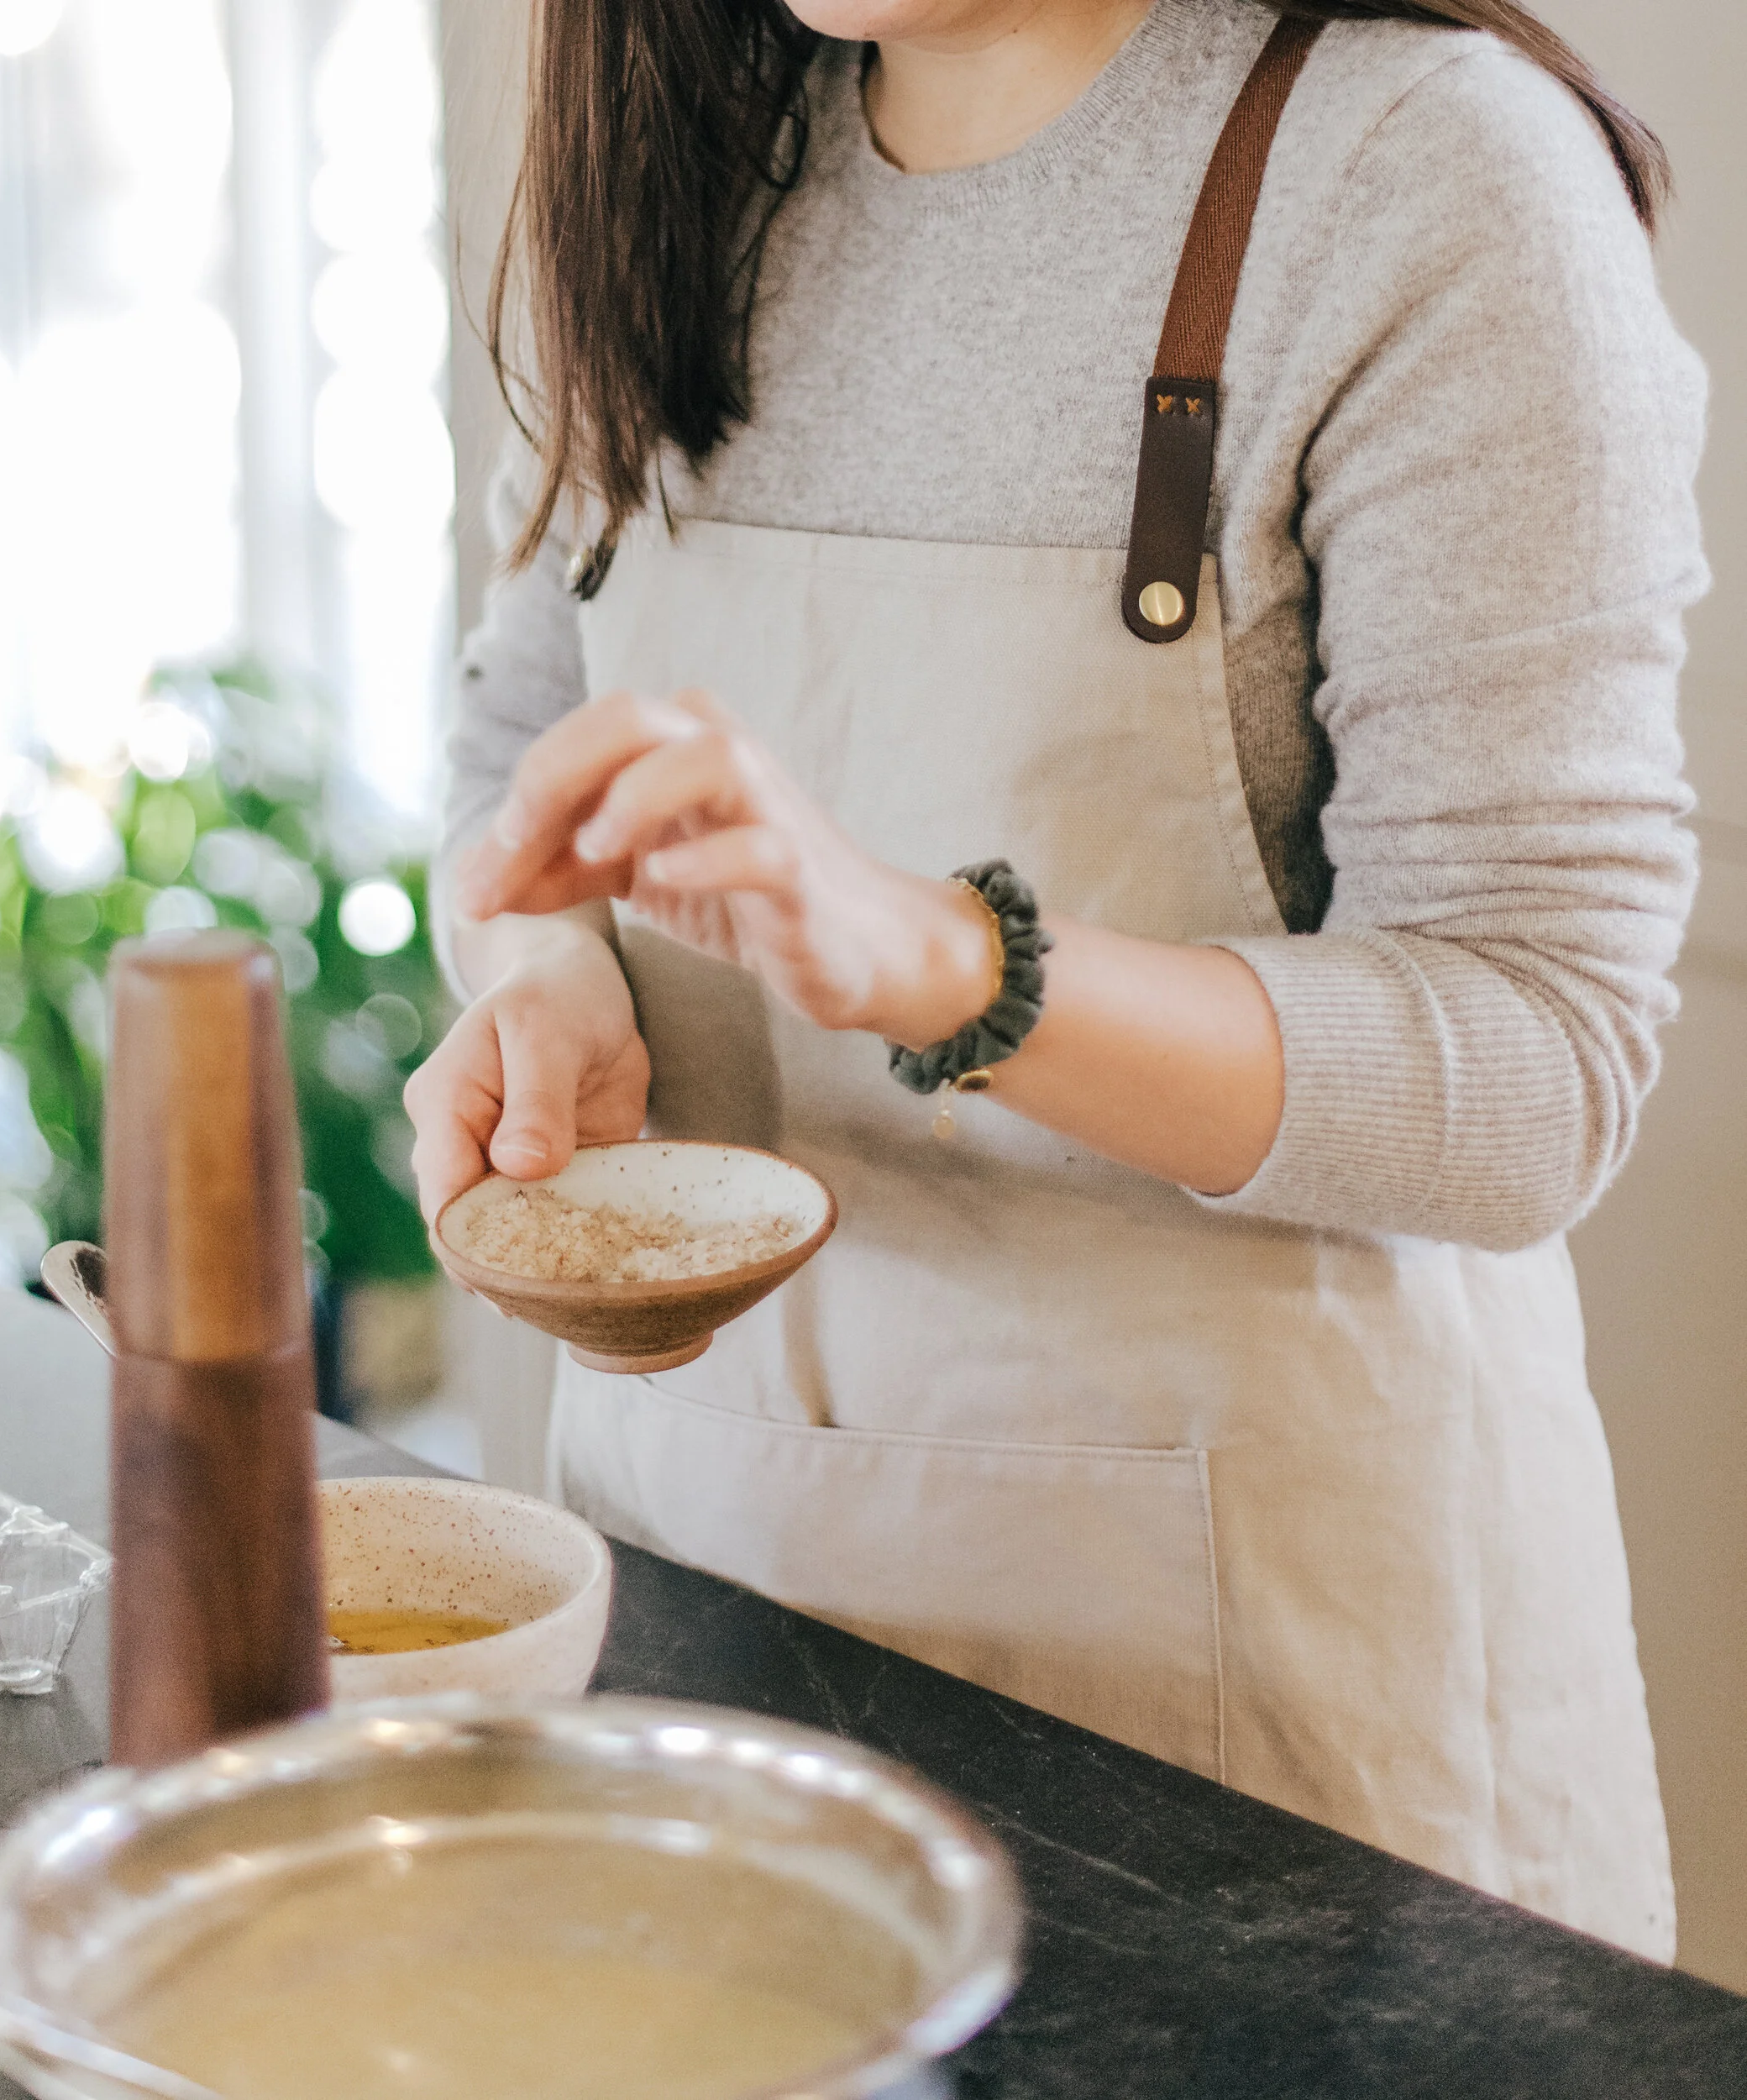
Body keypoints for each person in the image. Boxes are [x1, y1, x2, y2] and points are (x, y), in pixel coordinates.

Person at [406, 0, 1706, 1960]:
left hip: (1257, 1747)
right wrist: (546, 969)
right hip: (716, 1612)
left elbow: (1533, 1058)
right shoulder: (685, 164)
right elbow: (513, 744)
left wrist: (950, 967)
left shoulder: (1426, 173)